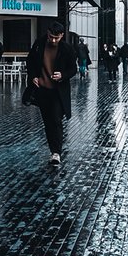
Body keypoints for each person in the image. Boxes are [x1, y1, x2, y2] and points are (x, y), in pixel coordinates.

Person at [25, 19, 78, 165]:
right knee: (48, 122)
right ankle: (53, 151)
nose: (53, 40)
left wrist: (62, 75)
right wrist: (33, 76)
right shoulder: (39, 44)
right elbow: (30, 61)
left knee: (56, 120)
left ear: (61, 36)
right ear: (47, 33)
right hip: (42, 90)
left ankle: (56, 152)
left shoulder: (67, 49)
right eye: (51, 37)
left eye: (56, 38)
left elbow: (73, 69)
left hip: (58, 92)